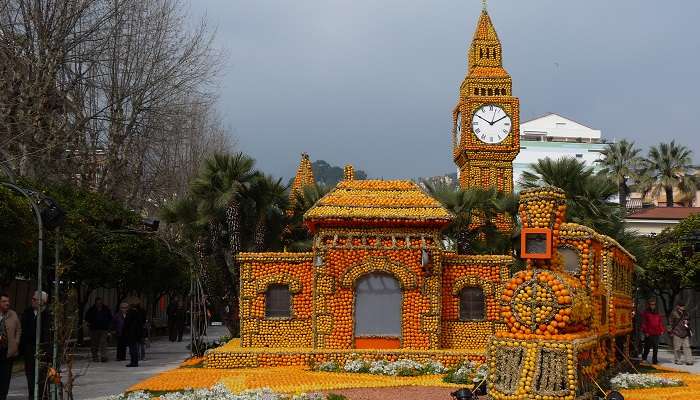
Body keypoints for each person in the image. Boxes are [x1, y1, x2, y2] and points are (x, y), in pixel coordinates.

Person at [20, 291, 51, 400]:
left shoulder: (48, 314)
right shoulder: (27, 312)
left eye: (35, 299)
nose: (32, 301)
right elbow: (23, 330)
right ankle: (32, 395)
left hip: (42, 349)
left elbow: (49, 334)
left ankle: (42, 396)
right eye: (32, 299)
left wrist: (48, 351)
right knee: (30, 374)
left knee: (42, 375)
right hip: (29, 348)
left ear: (42, 302)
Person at [0, 293, 21, 400]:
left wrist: (16, 342)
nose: (7, 303)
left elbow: (18, 329)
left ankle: (3, 396)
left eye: (8, 301)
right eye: (4, 301)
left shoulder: (13, 314)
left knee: (6, 377)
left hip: (8, 351)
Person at [85, 297, 112, 362]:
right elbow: (87, 318)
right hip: (94, 329)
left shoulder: (106, 309)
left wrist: (109, 326)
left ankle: (103, 356)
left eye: (100, 303)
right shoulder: (91, 309)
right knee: (94, 343)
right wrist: (89, 324)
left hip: (104, 329)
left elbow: (110, 317)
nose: (99, 304)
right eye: (98, 303)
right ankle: (95, 356)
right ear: (95, 303)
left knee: (103, 342)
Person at [639, 298, 665, 364]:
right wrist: (645, 332)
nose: (652, 305)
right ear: (649, 305)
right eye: (651, 304)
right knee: (647, 347)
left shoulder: (657, 312)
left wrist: (662, 330)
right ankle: (644, 358)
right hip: (649, 333)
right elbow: (644, 323)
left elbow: (660, 322)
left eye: (654, 304)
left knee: (655, 348)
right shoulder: (646, 313)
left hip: (656, 333)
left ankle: (655, 360)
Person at [123, 303, 144, 367]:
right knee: (135, 348)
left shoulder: (130, 313)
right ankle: (135, 361)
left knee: (132, 348)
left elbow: (127, 323)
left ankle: (133, 362)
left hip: (131, 333)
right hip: (137, 333)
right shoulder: (139, 313)